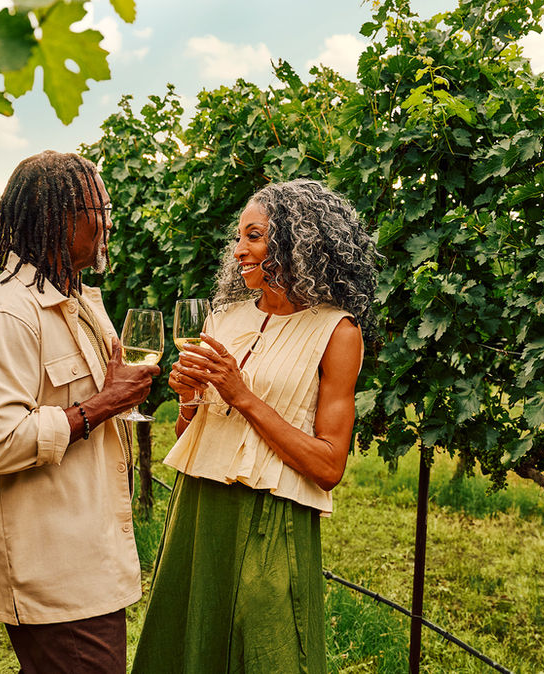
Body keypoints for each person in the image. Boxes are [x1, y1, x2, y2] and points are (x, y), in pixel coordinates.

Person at [131, 179, 380, 673]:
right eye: (238, 237)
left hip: (273, 517)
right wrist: (186, 401)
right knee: (188, 647)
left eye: (254, 236)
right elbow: (192, 437)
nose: (239, 250)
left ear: (296, 241)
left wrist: (242, 396)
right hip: (198, 506)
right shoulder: (223, 319)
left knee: (271, 651)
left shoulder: (337, 330)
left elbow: (329, 465)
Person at [0, 150, 160, 673]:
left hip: (86, 554)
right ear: (62, 220)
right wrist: (102, 405)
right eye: (99, 208)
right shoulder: (7, 316)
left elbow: (104, 395)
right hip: (51, 569)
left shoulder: (76, 302)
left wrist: (126, 396)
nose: (109, 221)